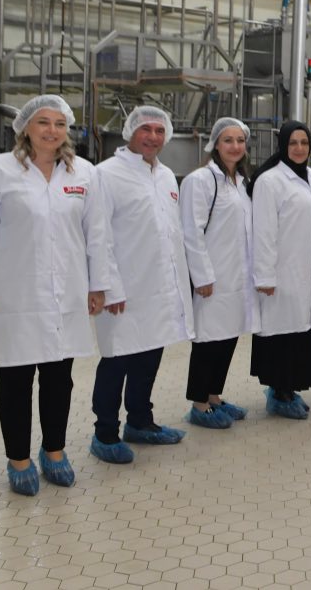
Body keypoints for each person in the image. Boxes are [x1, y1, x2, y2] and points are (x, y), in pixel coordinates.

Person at [0, 95, 109, 494]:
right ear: (25, 127)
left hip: (67, 292)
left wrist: (99, 284)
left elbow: (97, 234)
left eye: (60, 124)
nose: (52, 131)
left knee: (59, 378)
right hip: (17, 292)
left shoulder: (84, 173)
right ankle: (19, 459)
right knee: (15, 378)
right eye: (43, 122)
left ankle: (55, 451)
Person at [92, 106, 194, 463]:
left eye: (159, 130)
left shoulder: (165, 176)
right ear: (130, 132)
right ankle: (105, 433)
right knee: (116, 360)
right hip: (124, 288)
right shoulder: (106, 174)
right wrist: (109, 286)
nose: (153, 137)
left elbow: (170, 233)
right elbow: (99, 235)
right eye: (145, 129)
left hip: (159, 286)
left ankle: (140, 421)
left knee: (149, 355)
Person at [249, 121, 311, 420]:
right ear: (283, 146)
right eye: (293, 143)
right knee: (282, 336)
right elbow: (263, 232)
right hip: (282, 274)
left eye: (304, 143)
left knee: (303, 336)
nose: (299, 148)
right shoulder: (270, 181)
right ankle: (279, 393)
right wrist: (265, 276)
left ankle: (289, 390)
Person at [179, 117, 257, 430]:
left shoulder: (241, 182)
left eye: (240, 141)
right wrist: (202, 277)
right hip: (212, 277)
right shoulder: (200, 180)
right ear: (215, 144)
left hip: (238, 275)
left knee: (227, 337)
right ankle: (199, 404)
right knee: (208, 341)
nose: (235, 146)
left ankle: (214, 396)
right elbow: (191, 232)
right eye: (228, 140)